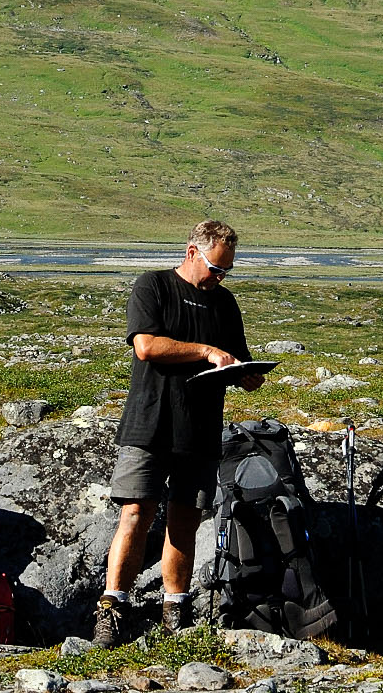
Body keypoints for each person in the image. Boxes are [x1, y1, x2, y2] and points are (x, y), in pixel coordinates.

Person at [93, 220, 264, 646]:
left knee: (185, 519)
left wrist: (247, 375)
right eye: (214, 268)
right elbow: (147, 346)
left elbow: (237, 357)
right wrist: (206, 351)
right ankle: (112, 608)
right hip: (150, 422)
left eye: (226, 271)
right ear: (192, 252)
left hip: (200, 428)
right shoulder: (153, 286)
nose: (218, 278)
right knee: (135, 513)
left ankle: (176, 609)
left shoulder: (224, 304)